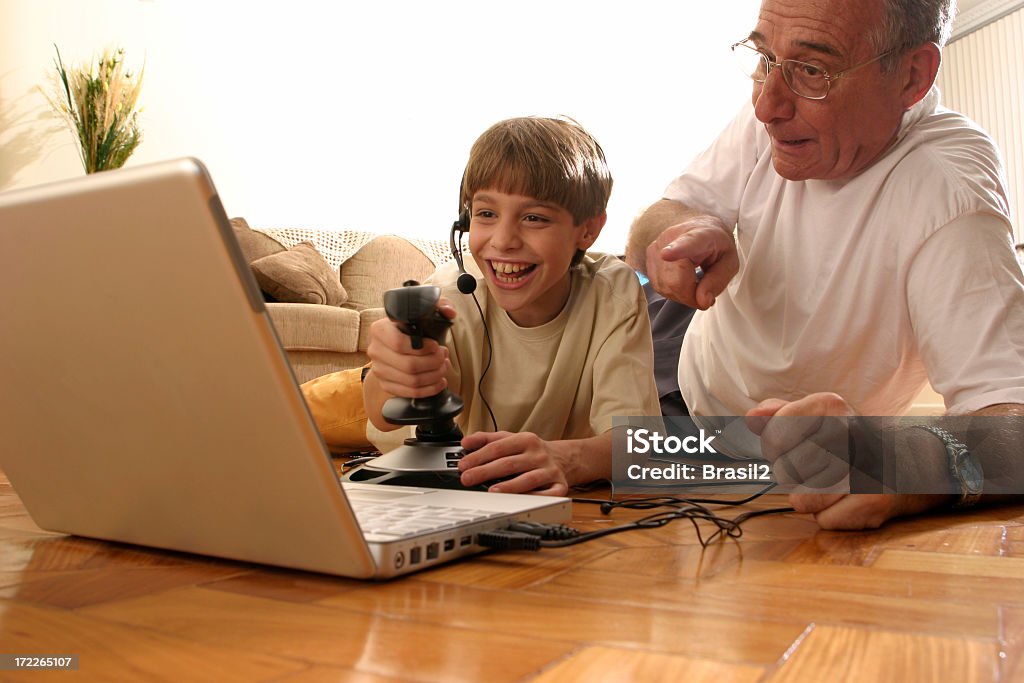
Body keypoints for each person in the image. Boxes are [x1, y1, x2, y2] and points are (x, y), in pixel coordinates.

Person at [626, 0, 1024, 529]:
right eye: (765, 58)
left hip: (776, 459)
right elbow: (655, 222)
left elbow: (1013, 424)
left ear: (912, 76)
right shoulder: (781, 107)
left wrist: (902, 461)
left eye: (813, 69)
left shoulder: (950, 194)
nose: (767, 106)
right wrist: (680, 232)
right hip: (673, 359)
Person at [363, 117, 661, 496]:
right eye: (486, 214)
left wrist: (567, 459)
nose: (503, 241)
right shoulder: (450, 295)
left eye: (534, 217)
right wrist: (390, 373)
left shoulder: (613, 293)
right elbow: (380, 413)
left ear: (588, 230)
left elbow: (641, 445)